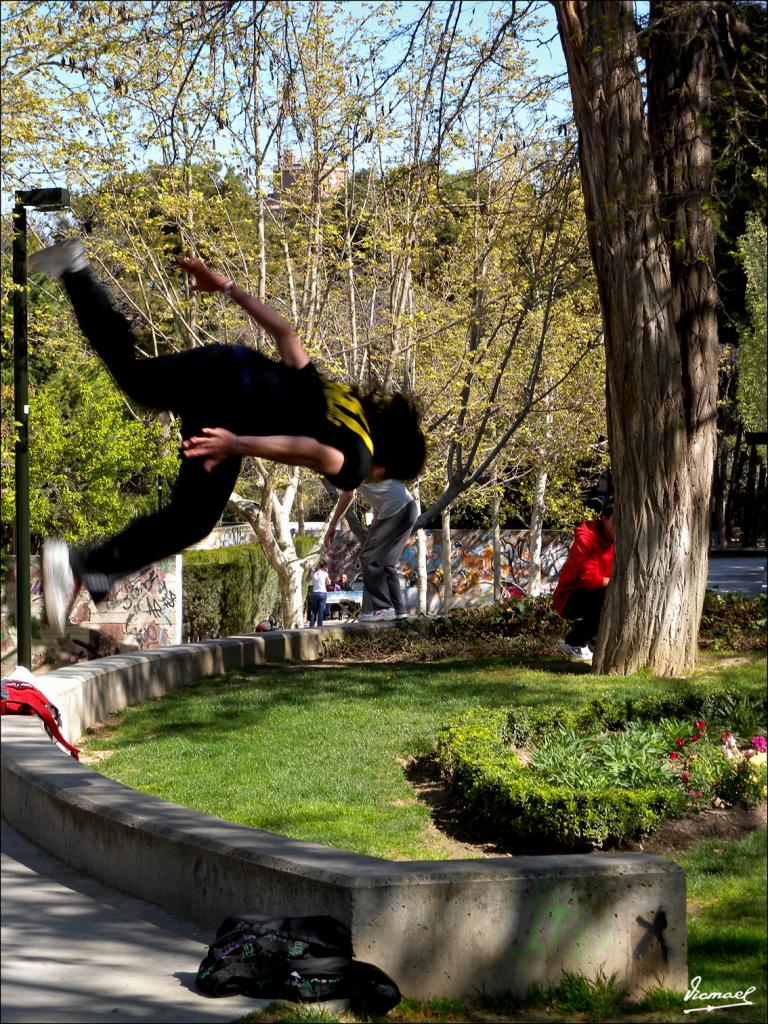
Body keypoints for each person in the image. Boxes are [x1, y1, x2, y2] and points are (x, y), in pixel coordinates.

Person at [29, 238, 426, 634]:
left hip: (226, 362)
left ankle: (74, 268)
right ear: (389, 464)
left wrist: (225, 286)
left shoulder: (344, 402)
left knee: (135, 379)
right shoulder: (356, 462)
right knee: (193, 520)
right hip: (228, 405)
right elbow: (306, 450)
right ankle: (85, 566)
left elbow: (285, 334)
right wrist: (235, 444)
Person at [324, 480, 417, 622]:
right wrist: (376, 524)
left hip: (394, 509)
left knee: (369, 557)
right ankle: (398, 609)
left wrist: (332, 524)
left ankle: (383, 608)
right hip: (410, 508)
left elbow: (348, 494)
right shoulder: (373, 463)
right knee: (387, 562)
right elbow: (379, 501)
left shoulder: (353, 462)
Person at [552, 501, 615, 663]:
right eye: (616, 522)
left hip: (597, 593)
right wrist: (617, 582)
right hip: (568, 598)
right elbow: (589, 580)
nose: (621, 527)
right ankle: (574, 642)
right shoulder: (586, 539)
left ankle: (593, 641)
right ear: (604, 518)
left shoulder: (620, 540)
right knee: (602, 594)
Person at [309, 561, 331, 627]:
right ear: (323, 566)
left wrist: (309, 573)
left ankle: (311, 626)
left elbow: (307, 580)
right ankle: (319, 627)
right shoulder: (325, 573)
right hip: (323, 593)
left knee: (314, 611)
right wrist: (327, 574)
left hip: (315, 593)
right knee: (321, 611)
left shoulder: (313, 573)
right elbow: (329, 583)